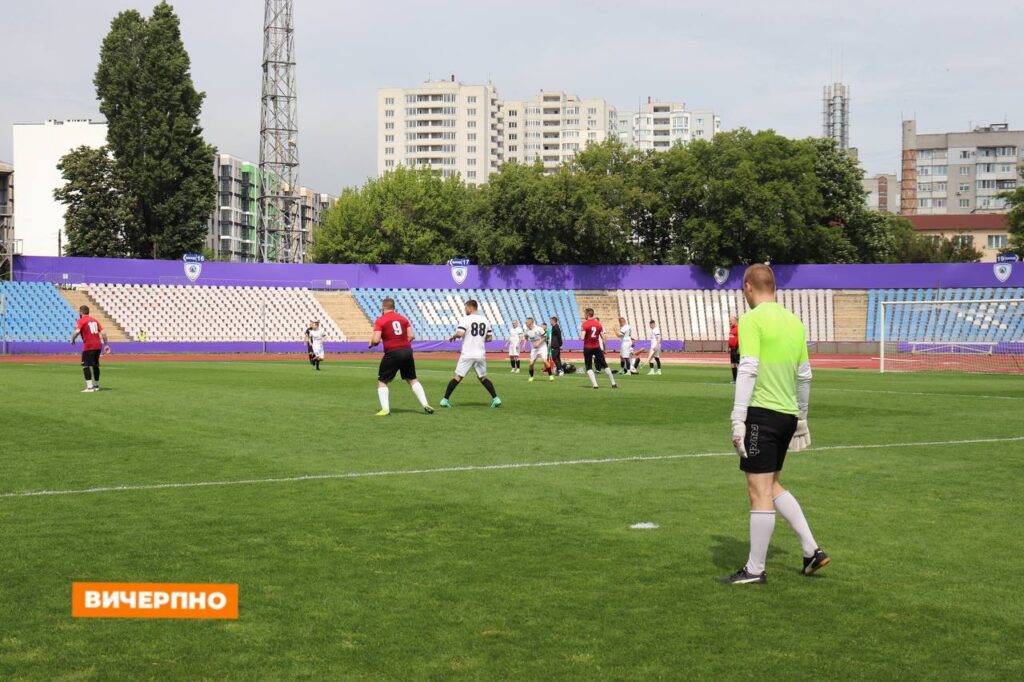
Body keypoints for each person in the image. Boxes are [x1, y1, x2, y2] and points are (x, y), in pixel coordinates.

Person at [721, 264, 827, 585]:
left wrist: (738, 419)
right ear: (775, 287)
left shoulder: (751, 320)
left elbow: (748, 368)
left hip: (762, 414)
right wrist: (802, 417)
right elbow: (805, 376)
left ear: (748, 287)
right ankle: (811, 550)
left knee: (758, 491)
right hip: (787, 415)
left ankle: (755, 570)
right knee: (772, 485)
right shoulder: (795, 323)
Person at [368, 298, 434, 416]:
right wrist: (402, 343)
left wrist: (372, 343)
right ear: (394, 307)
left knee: (382, 381)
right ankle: (426, 404)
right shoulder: (403, 319)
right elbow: (411, 335)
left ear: (383, 308)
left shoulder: (380, 320)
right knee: (412, 379)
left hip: (392, 352)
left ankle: (385, 409)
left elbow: (376, 340)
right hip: (407, 351)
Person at [440, 300, 502, 409]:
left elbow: (460, 333)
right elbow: (489, 338)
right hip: (480, 354)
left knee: (458, 377)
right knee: (483, 378)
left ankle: (445, 400)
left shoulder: (466, 319)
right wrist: (478, 339)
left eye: (465, 308)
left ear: (470, 308)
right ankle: (496, 399)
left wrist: (453, 336)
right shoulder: (485, 320)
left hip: (467, 354)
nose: (465, 310)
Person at [71, 305, 110, 393]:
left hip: (89, 346)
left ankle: (89, 388)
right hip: (98, 346)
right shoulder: (95, 320)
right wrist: (106, 345)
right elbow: (103, 333)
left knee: (85, 365)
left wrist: (73, 338)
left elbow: (77, 331)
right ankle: (96, 386)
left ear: (81, 312)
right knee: (95, 365)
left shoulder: (81, 320)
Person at [581, 308, 618, 389]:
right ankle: (613, 383)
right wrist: (604, 348)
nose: (584, 315)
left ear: (587, 314)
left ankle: (595, 385)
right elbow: (604, 337)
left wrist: (581, 337)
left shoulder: (585, 324)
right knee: (605, 364)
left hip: (588, 347)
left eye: (584, 314)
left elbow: (582, 337)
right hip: (597, 347)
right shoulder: (598, 324)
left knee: (589, 366)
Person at [523, 317, 552, 382]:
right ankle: (531, 377)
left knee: (545, 361)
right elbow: (526, 337)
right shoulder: (526, 330)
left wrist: (538, 343)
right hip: (534, 348)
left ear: (531, 322)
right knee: (531, 364)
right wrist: (525, 343)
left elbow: (545, 337)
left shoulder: (539, 329)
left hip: (542, 347)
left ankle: (550, 376)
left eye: (526, 322)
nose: (526, 323)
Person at [728, 314, 739, 383]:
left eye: (730, 321)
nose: (729, 322)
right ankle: (735, 379)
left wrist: (739, 348)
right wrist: (728, 347)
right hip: (732, 349)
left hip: (736, 348)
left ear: (735, 321)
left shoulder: (739, 328)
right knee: (732, 364)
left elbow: (740, 339)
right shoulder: (731, 328)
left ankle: (740, 379)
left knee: (738, 364)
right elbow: (731, 338)